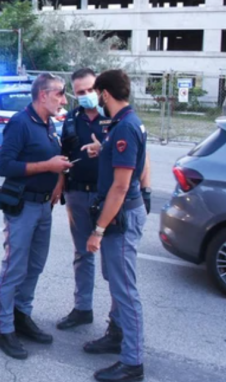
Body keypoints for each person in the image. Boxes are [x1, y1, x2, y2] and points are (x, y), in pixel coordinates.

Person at [55, 69, 152, 332]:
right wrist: (60, 184)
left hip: (107, 199)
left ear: (100, 90)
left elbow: (139, 161)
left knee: (114, 267)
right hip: (77, 193)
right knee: (82, 254)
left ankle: (117, 325)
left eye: (90, 90)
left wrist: (146, 191)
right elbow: (65, 153)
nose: (86, 96)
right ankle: (82, 308)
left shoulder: (116, 119)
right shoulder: (72, 119)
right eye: (80, 92)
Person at [0, 73, 73, 360]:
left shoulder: (48, 123)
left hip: (43, 206)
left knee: (35, 265)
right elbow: (5, 166)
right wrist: (46, 166)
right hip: (23, 207)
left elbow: (53, 160)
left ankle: (21, 315)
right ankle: (2, 328)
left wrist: (59, 176)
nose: (64, 100)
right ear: (43, 95)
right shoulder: (20, 123)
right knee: (14, 267)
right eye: (60, 94)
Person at [83, 69, 148, 382]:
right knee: (116, 281)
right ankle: (117, 335)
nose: (93, 97)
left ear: (105, 94)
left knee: (125, 290)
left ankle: (132, 363)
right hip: (121, 215)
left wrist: (98, 230)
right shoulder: (123, 124)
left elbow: (121, 187)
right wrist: (102, 149)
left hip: (120, 217)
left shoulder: (125, 128)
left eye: (96, 92)